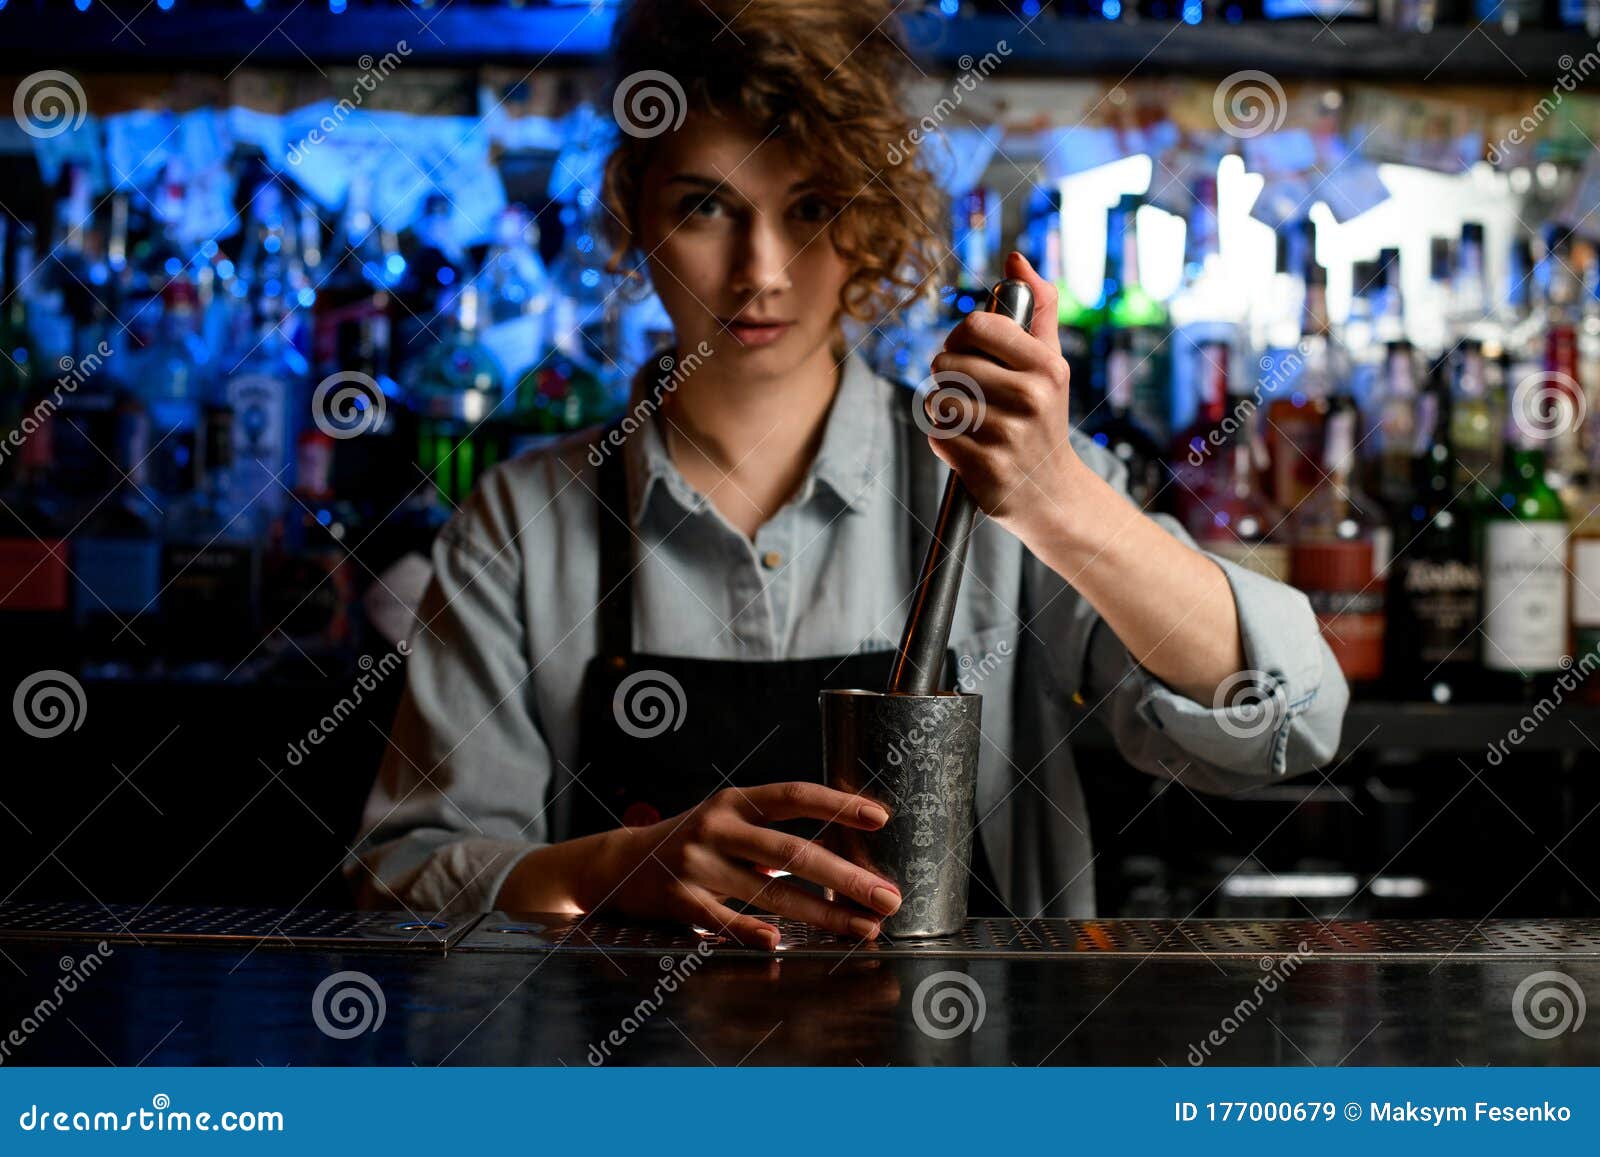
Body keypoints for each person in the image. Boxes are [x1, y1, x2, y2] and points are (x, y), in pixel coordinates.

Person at [345, 0, 1348, 948]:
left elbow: (1293, 720)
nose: (763, 270)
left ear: (868, 221)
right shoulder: (521, 525)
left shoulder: (1011, 483)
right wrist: (607, 868)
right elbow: (402, 878)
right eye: (705, 207)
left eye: (812, 207)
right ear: (632, 214)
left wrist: (1061, 502)